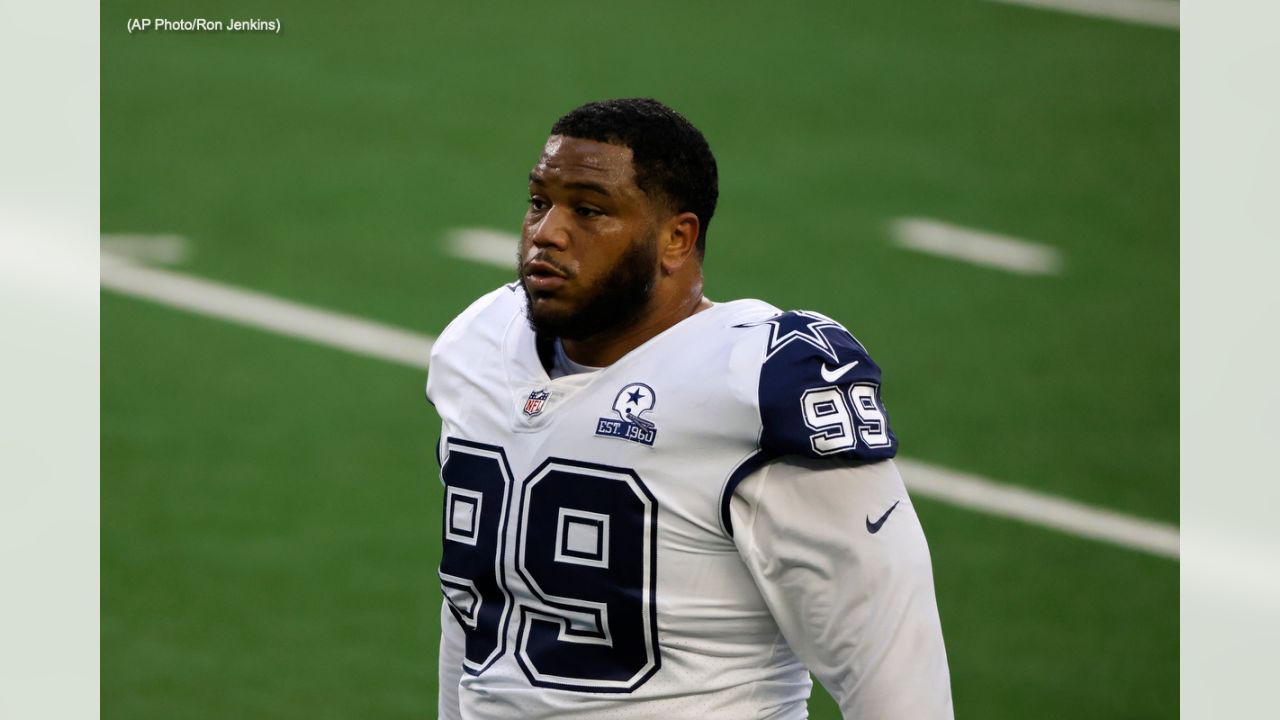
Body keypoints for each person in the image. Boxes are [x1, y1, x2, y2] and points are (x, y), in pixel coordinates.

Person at [426, 98, 952, 719]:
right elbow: (477, 609)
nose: (546, 233)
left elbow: (891, 665)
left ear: (677, 238)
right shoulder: (479, 344)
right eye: (540, 201)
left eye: (590, 210)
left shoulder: (756, 383)